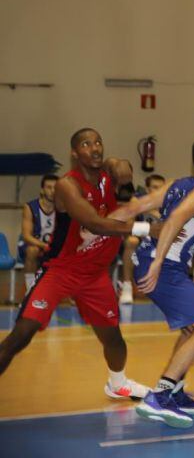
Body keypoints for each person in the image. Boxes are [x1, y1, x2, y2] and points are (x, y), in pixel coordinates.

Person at [0, 128, 149, 401]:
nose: (94, 148)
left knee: (113, 339)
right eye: (85, 144)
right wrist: (146, 228)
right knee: (22, 334)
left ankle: (118, 383)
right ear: (74, 153)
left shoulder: (108, 174)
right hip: (61, 271)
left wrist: (122, 163)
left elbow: (123, 169)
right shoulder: (67, 185)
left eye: (98, 142)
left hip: (95, 276)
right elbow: (94, 223)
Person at [116, 134, 194, 427]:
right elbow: (175, 219)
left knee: (191, 330)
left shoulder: (177, 184)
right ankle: (160, 396)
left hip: (161, 263)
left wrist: (92, 230)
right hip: (164, 265)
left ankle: (177, 392)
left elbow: (133, 208)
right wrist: (158, 262)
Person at [119, 173, 166, 305]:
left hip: (159, 241)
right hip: (140, 238)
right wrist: (148, 228)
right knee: (131, 241)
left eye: (161, 188)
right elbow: (129, 225)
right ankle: (127, 286)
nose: (158, 191)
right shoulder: (137, 200)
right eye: (154, 187)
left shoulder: (169, 203)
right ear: (146, 189)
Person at [18, 174, 58, 293]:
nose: (52, 191)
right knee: (32, 250)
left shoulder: (63, 207)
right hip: (35, 245)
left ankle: (73, 293)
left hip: (53, 247)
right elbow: (26, 236)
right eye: (49, 187)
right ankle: (30, 289)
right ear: (42, 190)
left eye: (55, 188)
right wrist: (44, 246)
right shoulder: (30, 207)